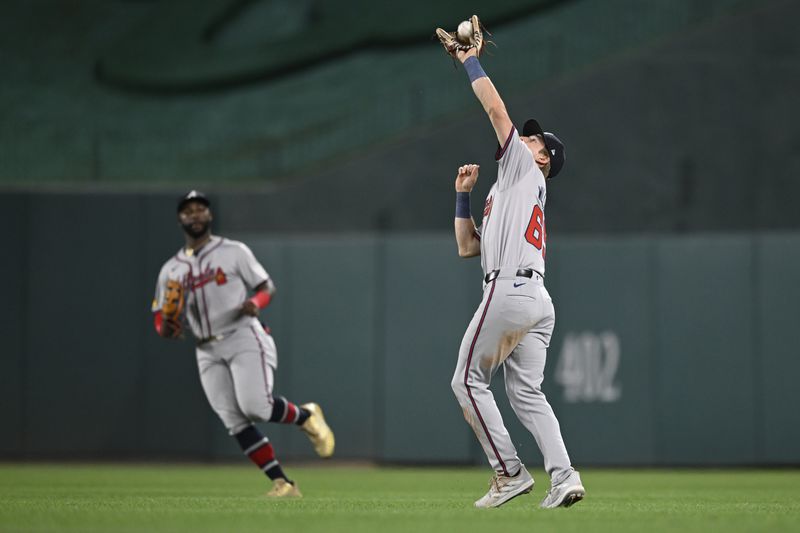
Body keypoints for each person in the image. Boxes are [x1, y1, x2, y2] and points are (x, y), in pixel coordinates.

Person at [445, 42, 585, 509]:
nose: (527, 139)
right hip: (535, 299)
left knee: (466, 381)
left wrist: (469, 61)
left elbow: (496, 110)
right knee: (527, 393)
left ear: (543, 159)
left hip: (509, 290)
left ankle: (509, 473)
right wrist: (463, 196)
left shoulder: (524, 169)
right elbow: (468, 248)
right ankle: (564, 476)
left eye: (536, 140)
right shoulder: (508, 190)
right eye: (529, 138)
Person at [151, 190, 335, 498]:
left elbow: (267, 286)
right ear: (180, 219)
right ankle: (284, 484)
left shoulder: (233, 251)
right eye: (188, 210)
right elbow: (160, 318)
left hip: (242, 335)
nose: (195, 214)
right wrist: (166, 327)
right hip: (205, 349)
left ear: (209, 215)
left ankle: (306, 416)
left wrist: (255, 301)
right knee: (234, 420)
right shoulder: (171, 269)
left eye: (200, 209)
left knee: (256, 407)